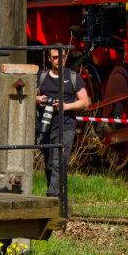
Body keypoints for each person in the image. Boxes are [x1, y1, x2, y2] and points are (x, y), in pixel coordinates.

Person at [35, 47, 91, 198]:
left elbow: (85, 102)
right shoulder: (41, 76)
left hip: (66, 125)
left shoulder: (73, 77)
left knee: (60, 162)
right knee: (49, 164)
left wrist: (66, 106)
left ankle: (53, 197)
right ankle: (60, 196)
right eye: (55, 57)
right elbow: (31, 94)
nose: (59, 60)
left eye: (63, 57)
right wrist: (38, 99)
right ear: (49, 59)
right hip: (45, 125)